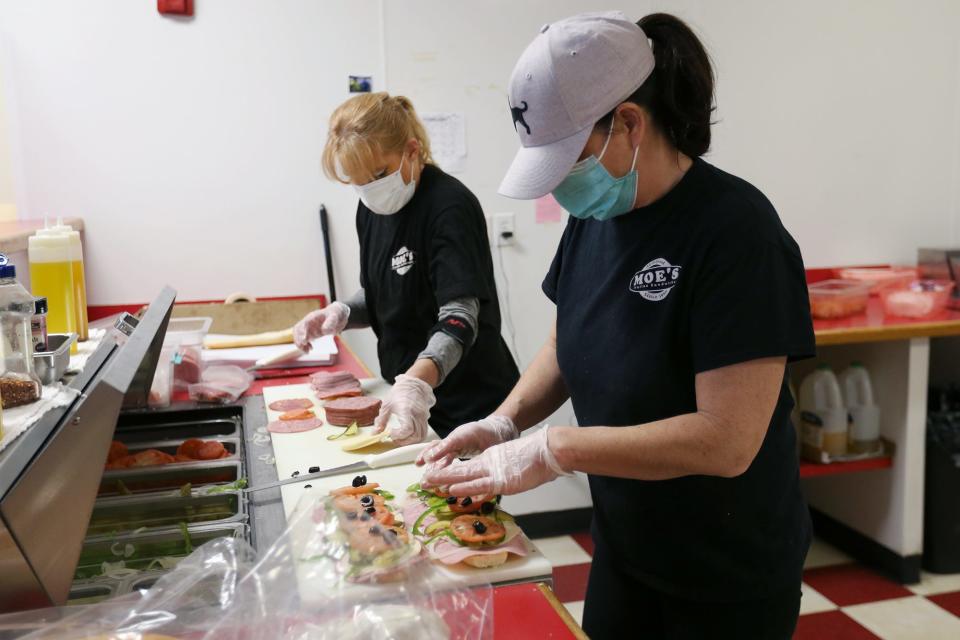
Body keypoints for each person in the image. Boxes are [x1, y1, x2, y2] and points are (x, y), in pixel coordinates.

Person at [419, 12, 815, 639]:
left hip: (723, 573)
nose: (564, 188)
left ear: (629, 123)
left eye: (569, 159)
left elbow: (727, 439)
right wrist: (504, 423)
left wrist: (556, 449)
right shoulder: (596, 216)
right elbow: (566, 338)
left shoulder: (738, 233)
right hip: (628, 547)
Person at [294, 93, 519, 444]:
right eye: (358, 181)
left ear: (412, 151)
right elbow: (386, 290)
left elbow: (460, 317)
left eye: (379, 174)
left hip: (467, 402)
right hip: (408, 396)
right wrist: (341, 312)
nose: (369, 189)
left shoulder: (449, 207)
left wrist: (416, 383)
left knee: (459, 498)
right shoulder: (370, 209)